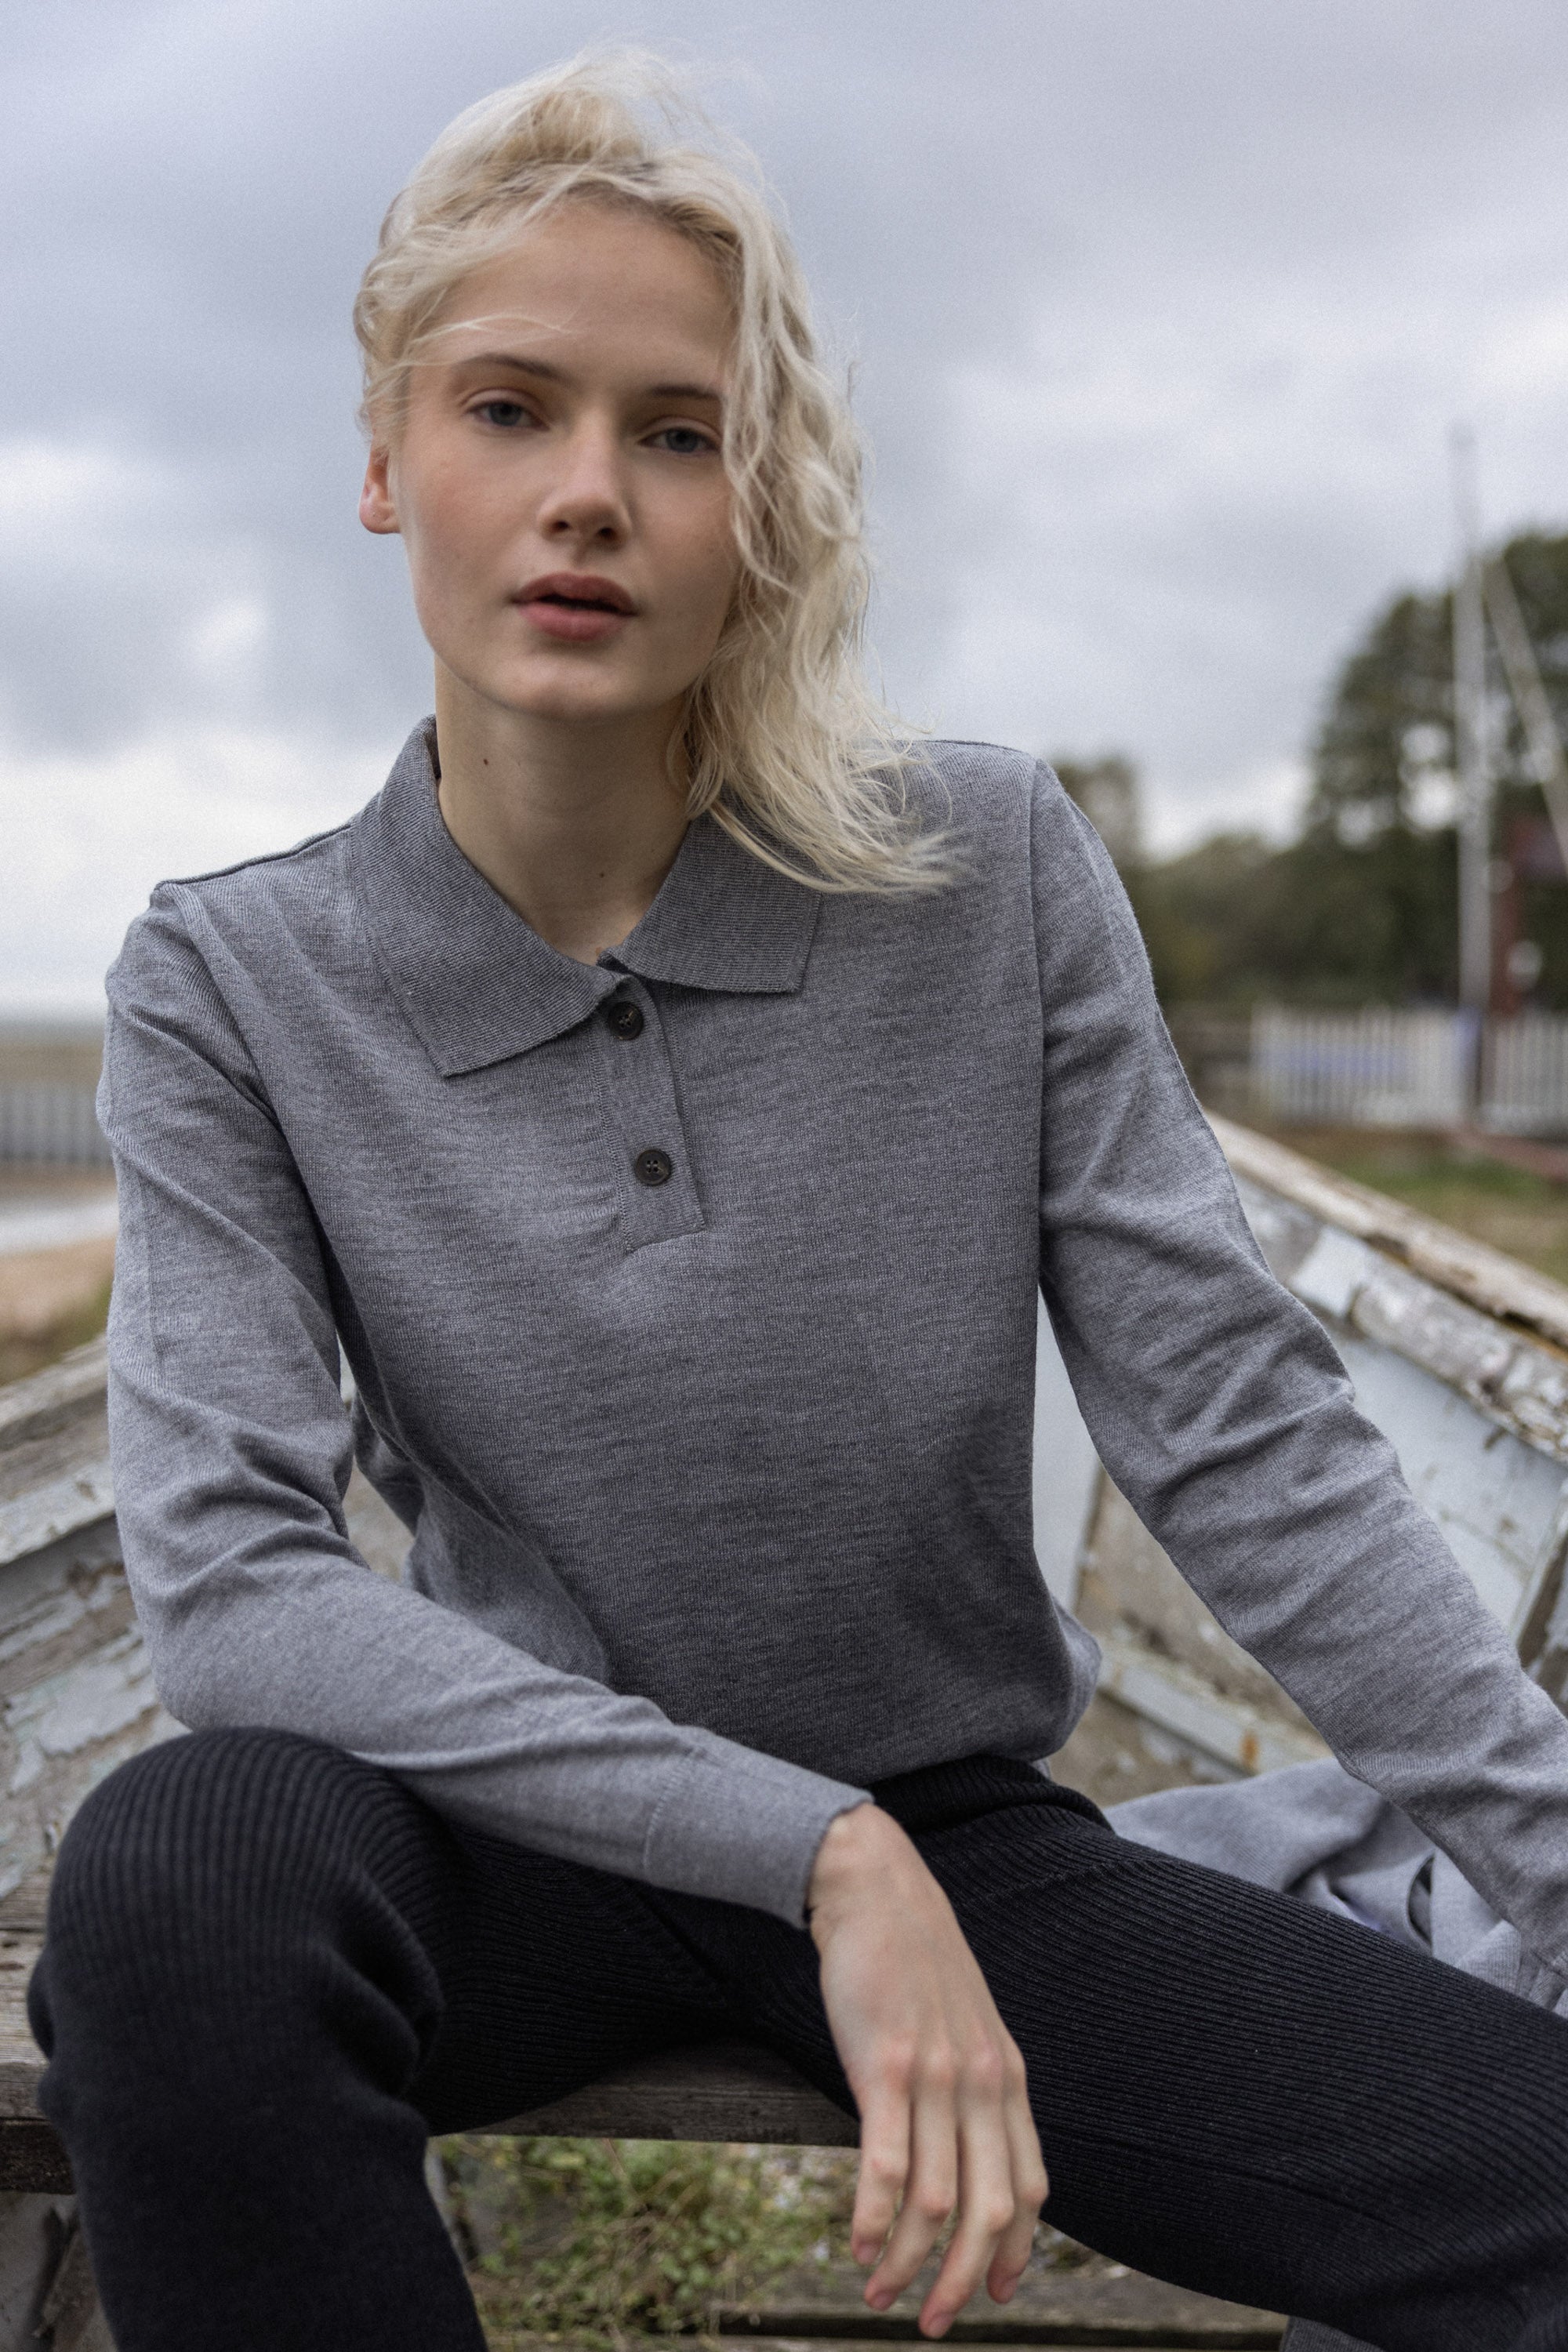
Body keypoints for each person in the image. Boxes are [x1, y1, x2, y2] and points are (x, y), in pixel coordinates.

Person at [27, 53, 1568, 2352]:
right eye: (509, 409)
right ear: (383, 461)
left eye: (679, 432)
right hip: (506, 1842)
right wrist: (811, 1851)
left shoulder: (987, 870)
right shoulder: (232, 981)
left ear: (762, 507)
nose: (588, 493)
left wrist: (1553, 1857)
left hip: (959, 1842)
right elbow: (238, 1591)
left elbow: (1240, 1434)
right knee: (176, 1879)